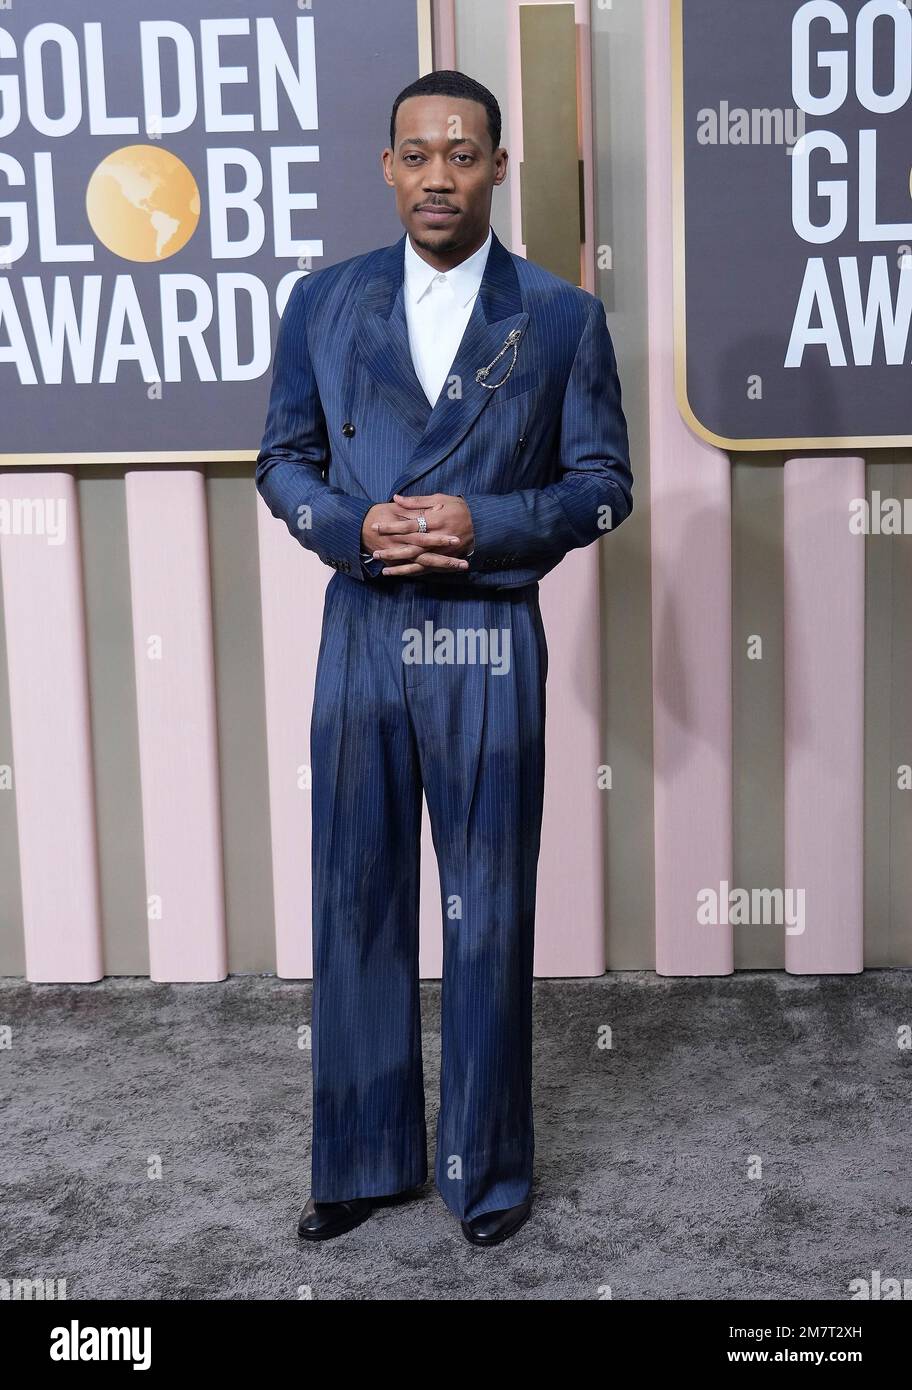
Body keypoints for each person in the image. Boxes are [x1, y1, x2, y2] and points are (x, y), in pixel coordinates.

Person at [255, 69, 633, 1247]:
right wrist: (350, 526)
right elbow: (281, 461)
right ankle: (365, 1160)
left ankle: (488, 1173)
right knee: (354, 893)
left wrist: (487, 524)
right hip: (363, 627)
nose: (438, 174)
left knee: (488, 909)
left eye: (462, 154)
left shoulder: (560, 316)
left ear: (498, 168)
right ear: (387, 167)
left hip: (485, 633)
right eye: (416, 153)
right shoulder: (322, 303)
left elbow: (604, 486)